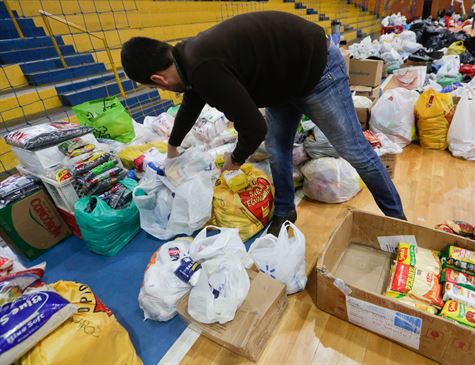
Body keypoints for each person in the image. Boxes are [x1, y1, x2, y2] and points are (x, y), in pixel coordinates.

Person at [121, 11, 406, 236]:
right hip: (284, 82)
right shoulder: (188, 60)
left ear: (158, 79)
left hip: (317, 70)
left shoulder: (201, 66)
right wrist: (172, 146)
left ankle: (398, 223)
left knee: (353, 148)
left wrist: (235, 159)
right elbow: (191, 104)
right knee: (277, 148)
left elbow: (254, 127)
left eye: (157, 87)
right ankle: (285, 212)